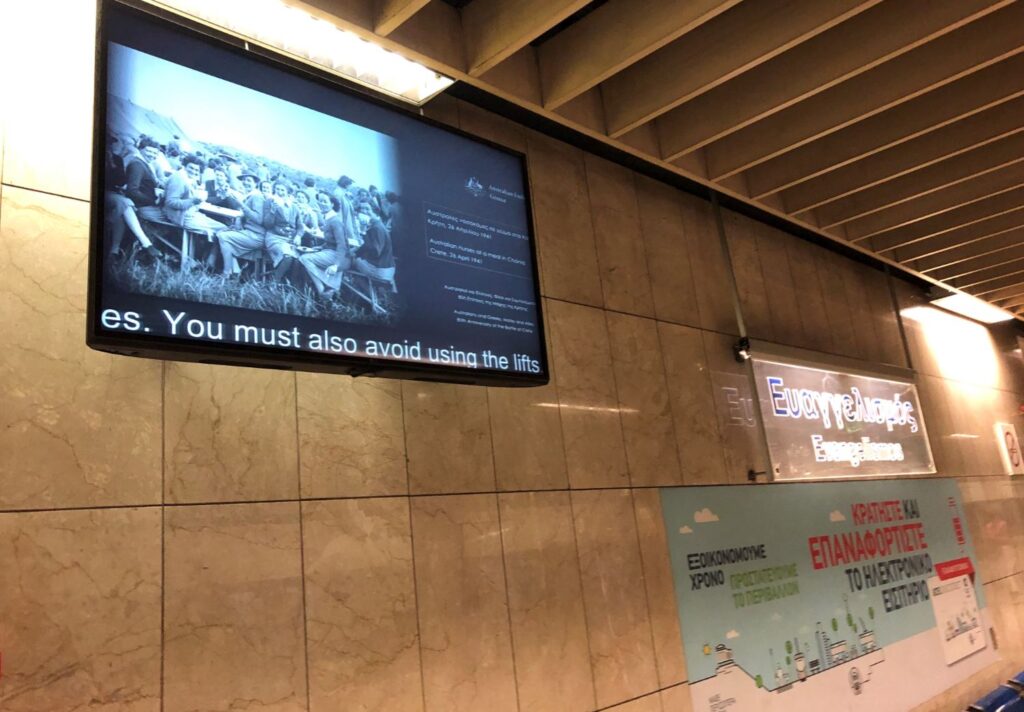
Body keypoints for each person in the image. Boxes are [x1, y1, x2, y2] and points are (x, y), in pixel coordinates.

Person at [104, 132, 160, 263]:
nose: (109, 146)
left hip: (115, 193)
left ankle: (114, 252)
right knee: (125, 204)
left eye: (110, 143)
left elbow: (121, 181)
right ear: (141, 149)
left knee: (123, 212)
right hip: (108, 193)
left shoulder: (117, 159)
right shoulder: (137, 163)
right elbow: (131, 189)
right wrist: (153, 201)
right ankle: (146, 244)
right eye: (149, 151)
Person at [161, 154, 227, 238]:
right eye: (191, 168)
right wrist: (193, 201)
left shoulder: (188, 178)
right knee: (222, 230)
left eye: (197, 170)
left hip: (188, 214)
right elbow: (171, 202)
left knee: (223, 228)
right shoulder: (179, 178)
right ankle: (204, 250)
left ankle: (206, 250)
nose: (194, 171)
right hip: (180, 217)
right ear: (184, 165)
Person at [298, 196, 353, 296]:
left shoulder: (335, 221)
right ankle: (327, 289)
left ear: (332, 204)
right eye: (320, 201)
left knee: (304, 259)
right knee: (306, 256)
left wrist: (336, 265)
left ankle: (322, 289)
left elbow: (342, 245)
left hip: (341, 258)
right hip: (333, 252)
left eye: (325, 201)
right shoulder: (328, 219)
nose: (322, 203)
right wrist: (319, 248)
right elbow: (331, 242)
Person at [216, 173, 267, 277]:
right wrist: (239, 220)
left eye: (249, 180)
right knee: (222, 231)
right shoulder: (248, 195)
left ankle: (227, 273)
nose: (245, 182)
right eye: (244, 180)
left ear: (255, 183)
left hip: (256, 235)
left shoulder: (257, 196)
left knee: (223, 237)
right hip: (249, 232)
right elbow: (244, 214)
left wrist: (241, 204)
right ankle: (234, 270)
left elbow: (258, 219)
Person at [263, 180, 304, 282]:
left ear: (288, 193)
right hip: (274, 237)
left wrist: (298, 236)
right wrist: (272, 211)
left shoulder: (294, 207)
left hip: (290, 240)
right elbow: (267, 224)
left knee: (298, 260)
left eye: (282, 190)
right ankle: (274, 282)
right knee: (288, 257)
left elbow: (300, 226)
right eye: (277, 189)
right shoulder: (270, 202)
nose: (279, 192)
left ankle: (291, 284)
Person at [353, 202, 395, 283]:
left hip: (380, 270)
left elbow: (375, 252)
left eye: (367, 209)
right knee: (354, 258)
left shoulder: (376, 228)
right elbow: (370, 246)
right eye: (362, 209)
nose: (364, 211)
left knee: (349, 260)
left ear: (375, 212)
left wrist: (358, 254)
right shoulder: (377, 225)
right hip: (386, 268)